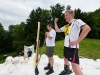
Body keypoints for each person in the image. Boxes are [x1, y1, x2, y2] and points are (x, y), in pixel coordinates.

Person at [54, 10, 91, 75]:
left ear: (71, 15)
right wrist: (55, 23)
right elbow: (57, 30)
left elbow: (87, 28)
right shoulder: (67, 25)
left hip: (72, 48)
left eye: (66, 15)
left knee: (75, 67)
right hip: (66, 46)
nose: (65, 17)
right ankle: (67, 71)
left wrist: (77, 41)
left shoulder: (76, 21)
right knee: (65, 59)